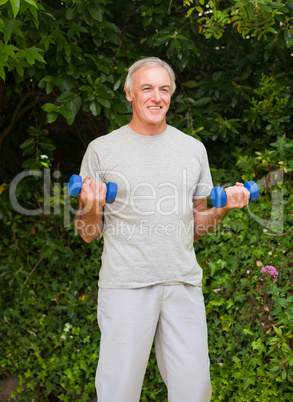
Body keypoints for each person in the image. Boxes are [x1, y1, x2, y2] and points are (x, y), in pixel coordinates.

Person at [74, 57, 250, 402]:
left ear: (171, 95)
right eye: (147, 88)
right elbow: (87, 232)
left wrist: (224, 207)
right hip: (126, 284)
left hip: (181, 282)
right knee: (117, 393)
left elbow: (199, 225)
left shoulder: (192, 150)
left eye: (164, 89)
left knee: (195, 389)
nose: (157, 97)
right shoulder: (102, 150)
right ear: (129, 94)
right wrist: (93, 205)